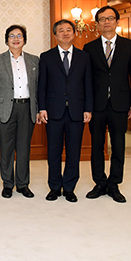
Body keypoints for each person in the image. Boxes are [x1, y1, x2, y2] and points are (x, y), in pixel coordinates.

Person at [83, 6, 131, 203]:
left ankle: (114, 184)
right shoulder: (89, 48)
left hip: (121, 103)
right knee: (97, 145)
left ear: (116, 22)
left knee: (118, 145)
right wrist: (87, 106)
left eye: (110, 18)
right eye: (102, 19)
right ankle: (99, 182)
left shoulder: (129, 45)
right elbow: (86, 79)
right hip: (97, 105)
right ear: (97, 24)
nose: (106, 22)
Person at [38, 20, 93, 203]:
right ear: (55, 35)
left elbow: (88, 85)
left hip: (77, 111)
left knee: (73, 151)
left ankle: (69, 187)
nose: (65, 33)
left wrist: (88, 108)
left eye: (68, 30)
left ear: (74, 33)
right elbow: (42, 86)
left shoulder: (84, 57)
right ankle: (54, 187)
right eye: (61, 31)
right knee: (53, 151)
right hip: (53, 111)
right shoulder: (46, 57)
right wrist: (41, 108)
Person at [0, 25, 39, 199]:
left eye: (19, 36)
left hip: (27, 108)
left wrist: (38, 110)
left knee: (24, 148)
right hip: (5, 109)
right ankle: (8, 184)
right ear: (6, 39)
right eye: (12, 36)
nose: (16, 39)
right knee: (7, 149)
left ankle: (23, 184)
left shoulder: (34, 60)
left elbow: (38, 88)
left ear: (24, 39)